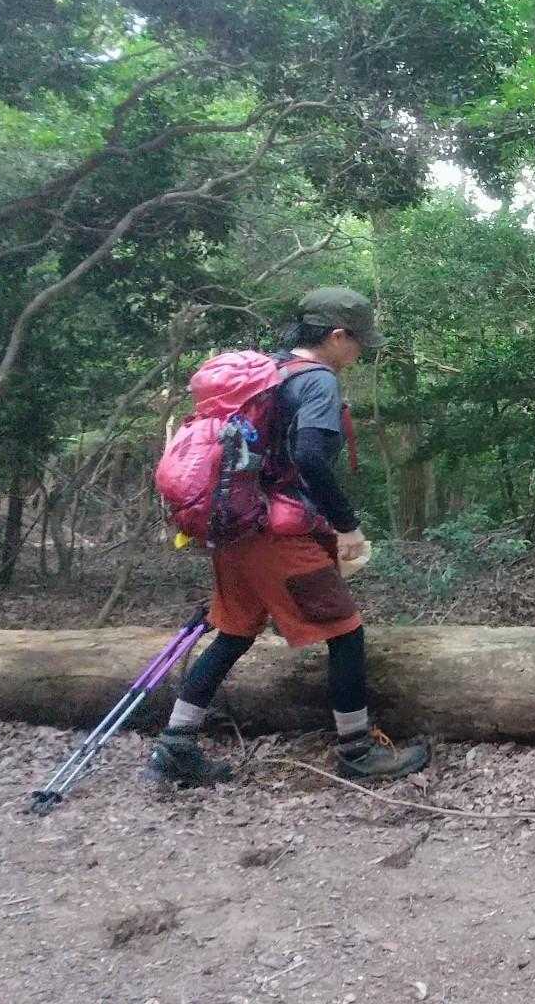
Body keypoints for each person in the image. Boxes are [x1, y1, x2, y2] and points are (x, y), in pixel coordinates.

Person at [147, 286, 429, 787]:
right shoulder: (317, 381)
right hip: (279, 535)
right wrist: (346, 525)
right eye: (358, 342)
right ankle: (357, 751)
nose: (360, 352)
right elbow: (311, 458)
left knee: (234, 633)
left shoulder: (267, 374)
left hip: (234, 529)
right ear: (337, 336)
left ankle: (176, 744)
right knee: (345, 633)